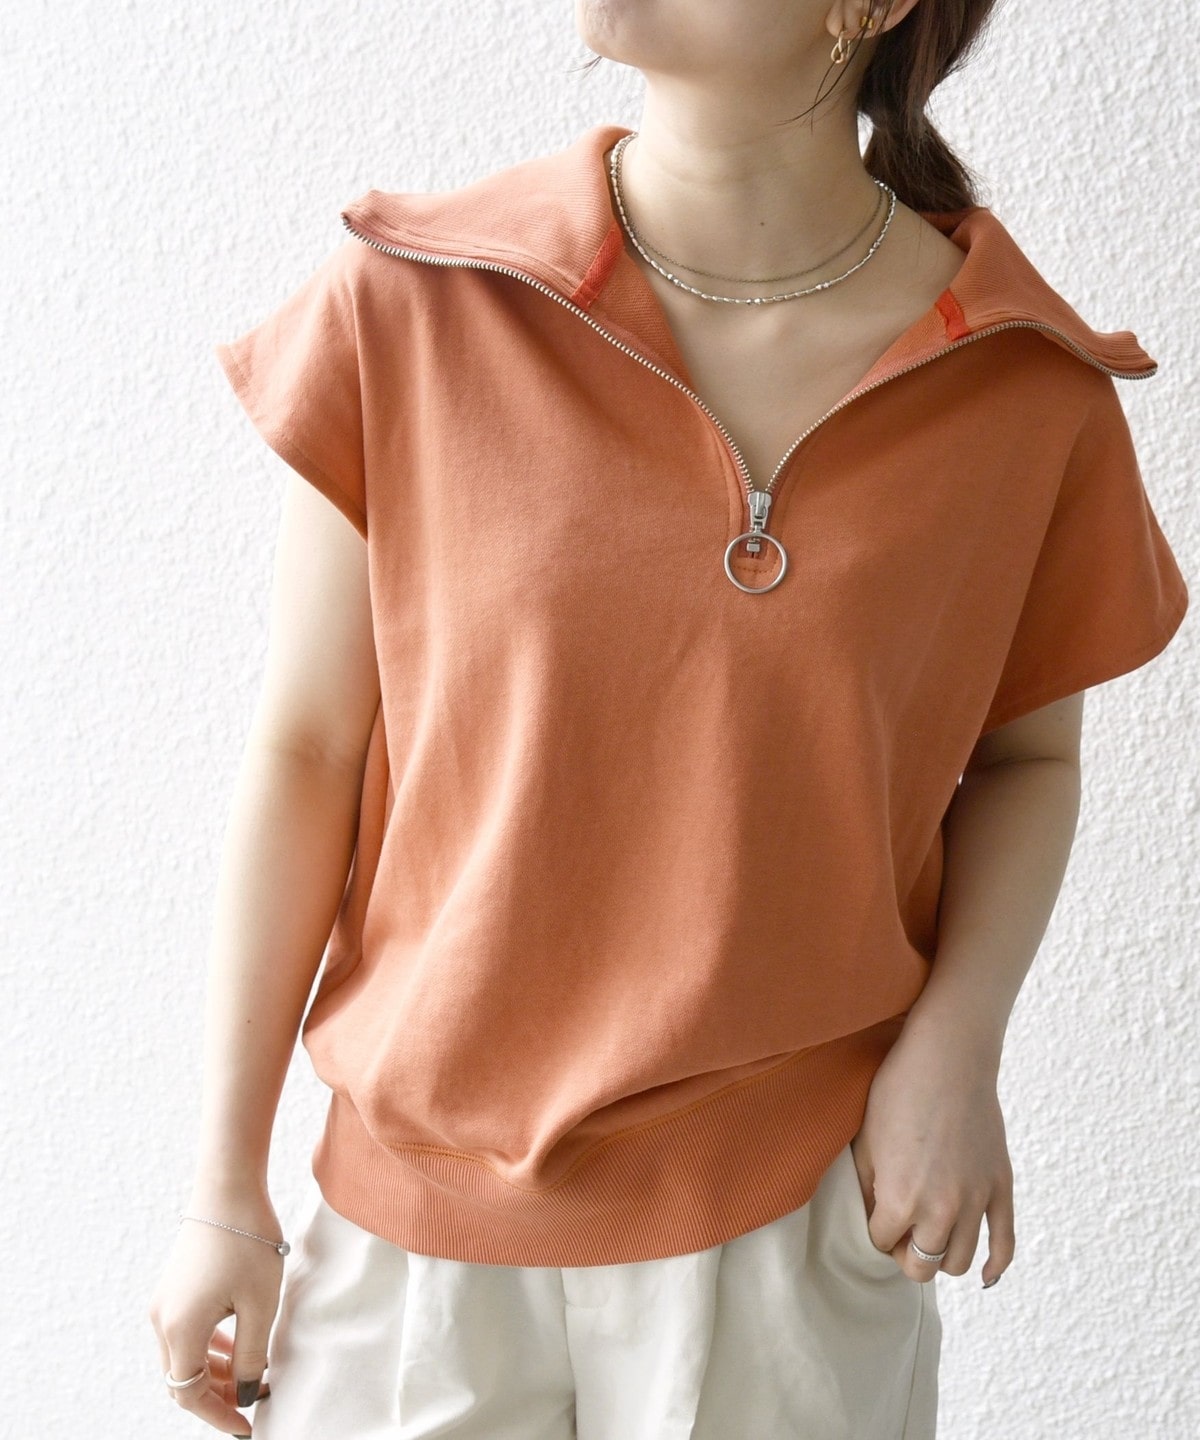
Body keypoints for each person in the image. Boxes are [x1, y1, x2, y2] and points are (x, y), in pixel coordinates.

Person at [148, 1, 1190, 1436]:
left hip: (790, 1225)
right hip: (407, 1233)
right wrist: (224, 1185)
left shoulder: (1023, 385)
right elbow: (306, 750)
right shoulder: (416, 299)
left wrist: (961, 1043)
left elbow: (1025, 762)